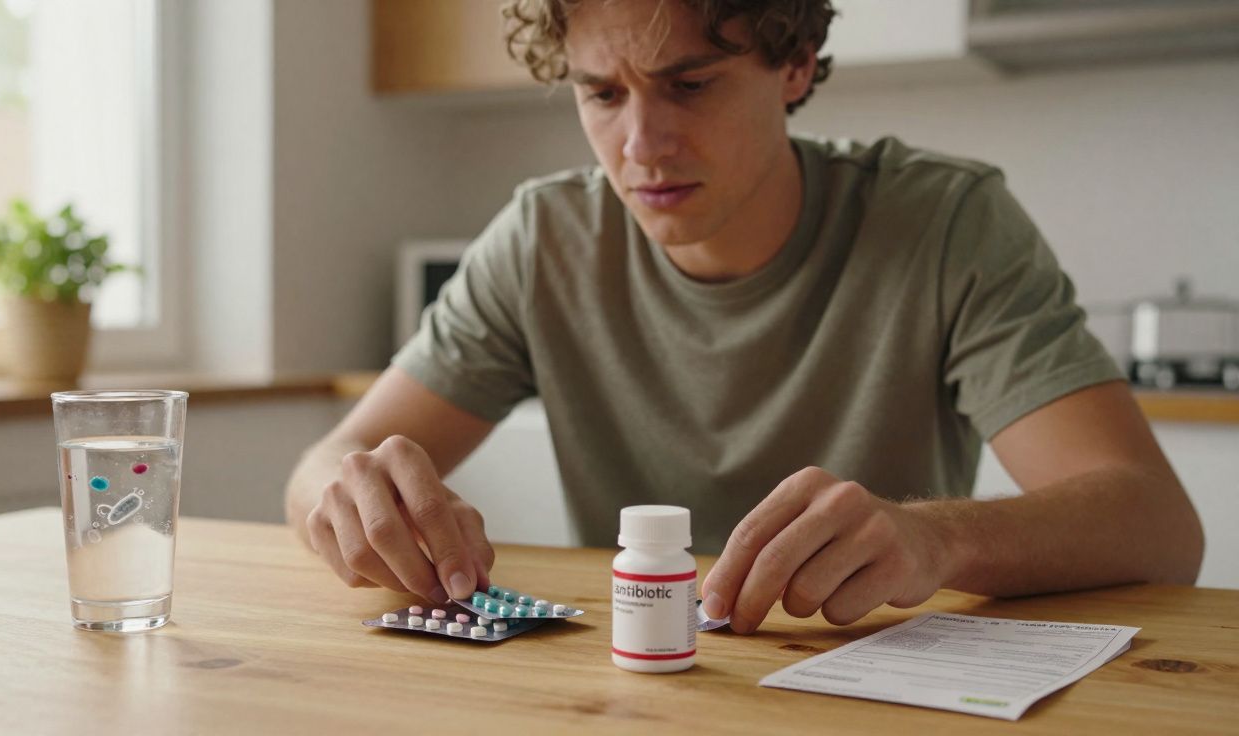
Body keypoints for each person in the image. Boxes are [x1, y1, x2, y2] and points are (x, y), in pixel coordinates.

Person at [285, 0, 1204, 634]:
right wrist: (351, 496)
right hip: (639, 685)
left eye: (690, 85)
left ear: (794, 66)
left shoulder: (943, 222)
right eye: (602, 94)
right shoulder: (544, 238)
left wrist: (936, 535)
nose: (641, 147)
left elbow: (1157, 527)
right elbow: (324, 467)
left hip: (876, 685)